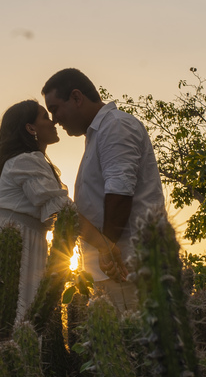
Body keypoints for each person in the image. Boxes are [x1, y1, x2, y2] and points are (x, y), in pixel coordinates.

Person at [0, 100, 113, 363]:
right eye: (45, 116)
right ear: (31, 128)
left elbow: (63, 214)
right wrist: (105, 246)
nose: (53, 121)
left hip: (25, 245)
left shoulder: (31, 161)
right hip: (5, 249)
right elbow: (64, 211)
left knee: (15, 329)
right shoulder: (26, 161)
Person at [42, 68, 165, 312]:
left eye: (55, 109)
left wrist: (107, 250)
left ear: (76, 97)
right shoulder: (98, 134)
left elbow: (120, 192)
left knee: (131, 335)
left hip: (128, 268)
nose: (54, 119)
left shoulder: (115, 126)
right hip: (116, 269)